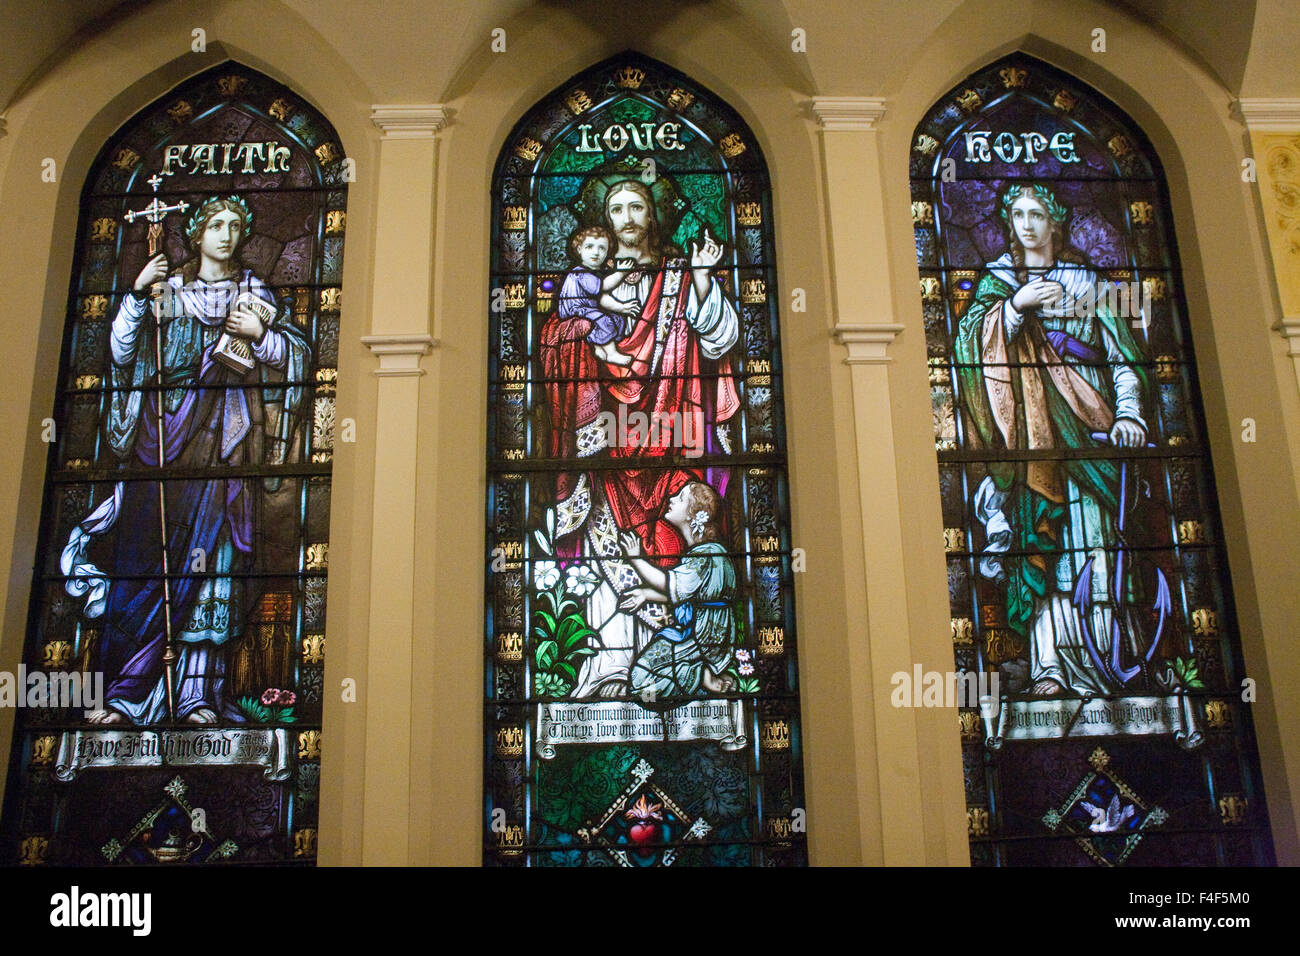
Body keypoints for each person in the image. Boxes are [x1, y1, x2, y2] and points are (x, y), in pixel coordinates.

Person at [70, 195, 309, 724]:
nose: (225, 235)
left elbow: (295, 357)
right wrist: (135, 295)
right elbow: (121, 352)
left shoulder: (254, 292)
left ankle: (199, 694)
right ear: (196, 233)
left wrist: (261, 336)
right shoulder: (168, 290)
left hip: (225, 446)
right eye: (215, 225)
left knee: (215, 564)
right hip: (162, 444)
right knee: (146, 564)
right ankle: (126, 694)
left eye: (234, 226)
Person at [540, 177, 741, 699]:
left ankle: (686, 670)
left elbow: (721, 338)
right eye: (617, 208)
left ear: (654, 214)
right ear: (605, 219)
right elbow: (555, 337)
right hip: (605, 437)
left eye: (637, 206)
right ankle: (606, 669)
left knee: (673, 538)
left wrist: (700, 280)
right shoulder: (588, 280)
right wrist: (576, 337)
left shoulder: (678, 274)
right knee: (604, 542)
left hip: (673, 434)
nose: (627, 216)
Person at [956, 182, 1150, 697]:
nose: (1026, 223)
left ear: (1055, 220)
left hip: (1090, 439)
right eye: (1017, 213)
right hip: (1032, 449)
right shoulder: (999, 282)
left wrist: (1129, 417)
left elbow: (1123, 361)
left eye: (1037, 213)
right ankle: (1050, 668)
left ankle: (1107, 663)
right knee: (1042, 550)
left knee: (1094, 554)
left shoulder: (1087, 283)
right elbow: (970, 356)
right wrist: (1015, 308)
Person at [621, 482, 737, 701]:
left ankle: (700, 673)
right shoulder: (706, 552)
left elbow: (668, 583)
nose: (671, 498)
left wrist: (636, 559)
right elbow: (689, 595)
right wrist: (646, 594)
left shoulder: (707, 555)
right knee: (643, 681)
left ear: (694, 515)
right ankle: (700, 676)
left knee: (640, 684)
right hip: (702, 633)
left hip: (704, 639)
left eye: (680, 497)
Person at [557, 225, 640, 368]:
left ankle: (599, 348)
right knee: (604, 321)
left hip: (589, 308)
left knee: (617, 318)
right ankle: (612, 353)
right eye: (589, 247)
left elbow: (601, 298)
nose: (596, 252)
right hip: (576, 310)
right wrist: (621, 273)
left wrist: (622, 308)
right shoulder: (580, 272)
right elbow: (603, 287)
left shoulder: (596, 272)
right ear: (579, 250)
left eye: (602, 248)